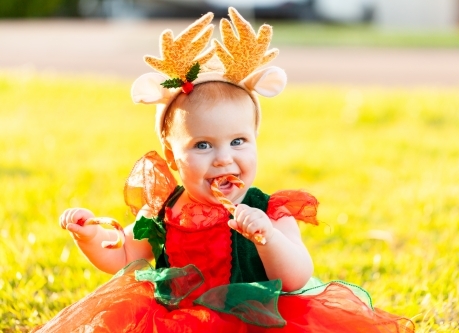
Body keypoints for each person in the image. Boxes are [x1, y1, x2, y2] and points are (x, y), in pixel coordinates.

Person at [32, 7, 415, 333]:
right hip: (176, 319)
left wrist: (266, 236)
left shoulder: (268, 211)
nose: (223, 159)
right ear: (171, 155)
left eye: (238, 142)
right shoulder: (165, 210)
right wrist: (89, 237)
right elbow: (126, 256)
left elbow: (298, 276)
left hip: (254, 321)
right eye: (202, 145)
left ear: (255, 139)